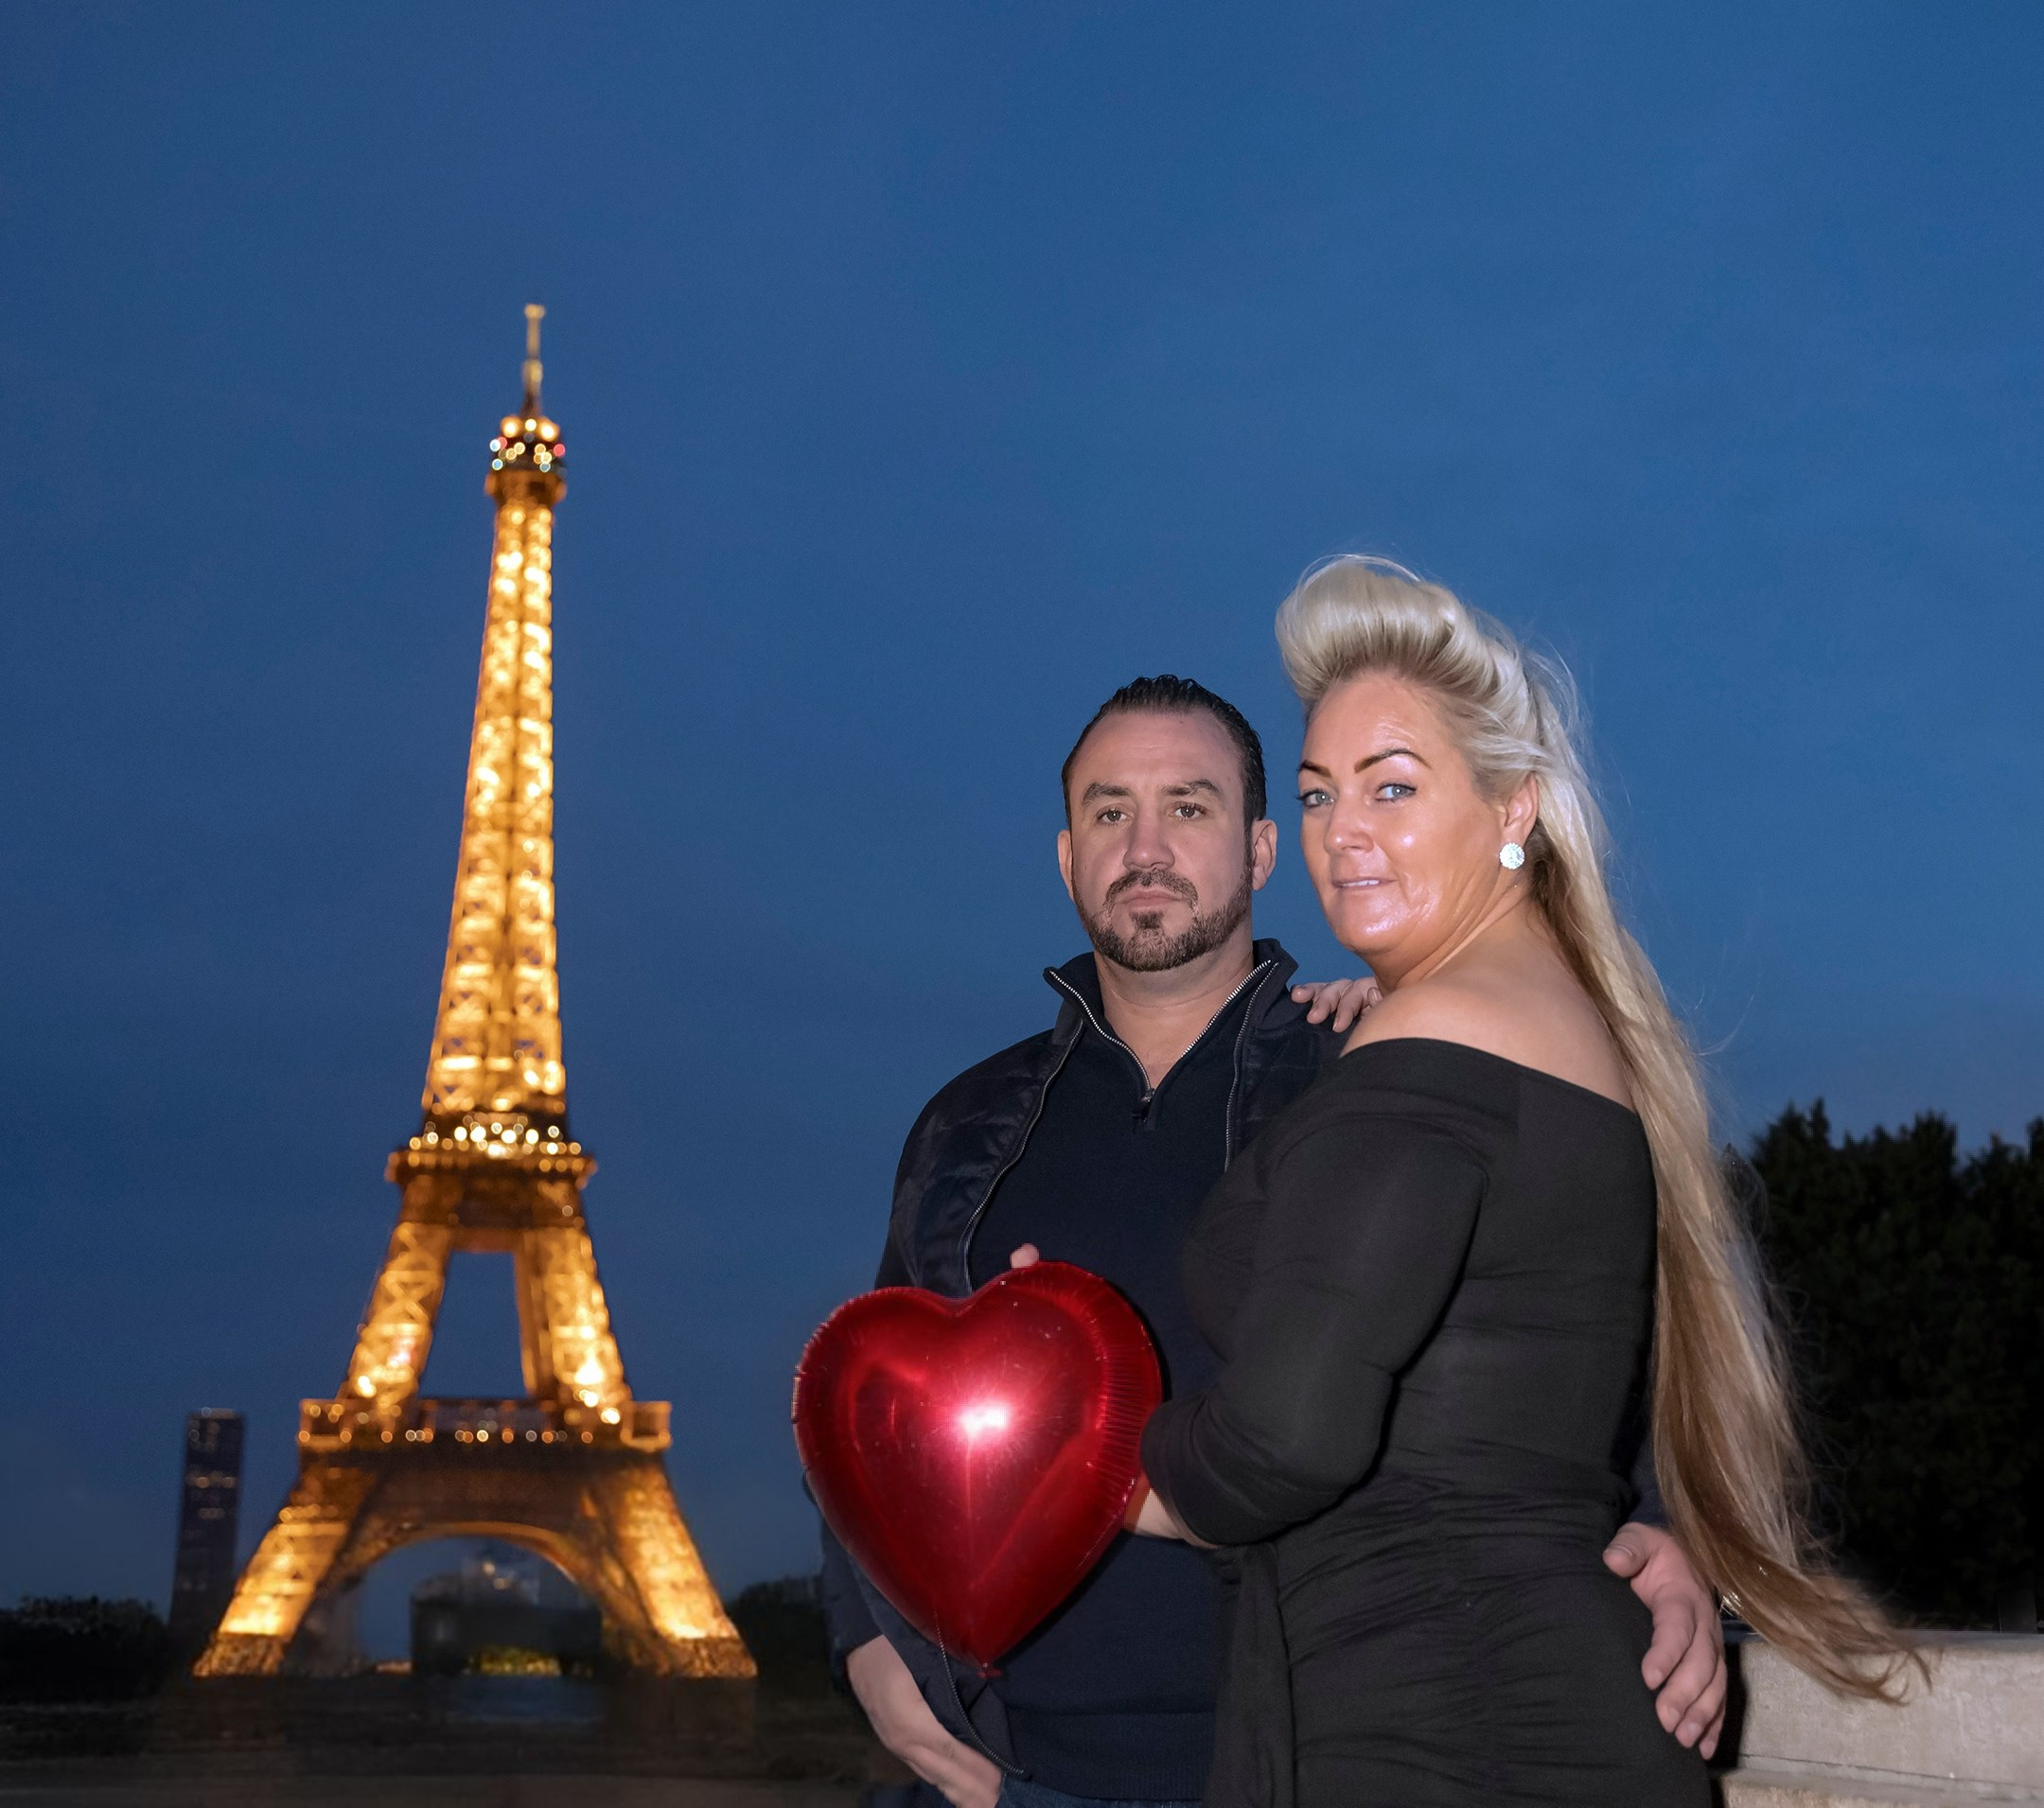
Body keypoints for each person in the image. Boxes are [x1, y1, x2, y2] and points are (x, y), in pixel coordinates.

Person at [820, 675, 1729, 1808]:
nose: (1144, 845)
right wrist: (865, 1645)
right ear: (1066, 857)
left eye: (1188, 807)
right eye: (1110, 811)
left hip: (1289, 1749)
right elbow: (867, 1411)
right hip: (1007, 1769)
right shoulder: (966, 1124)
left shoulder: (1364, 1068)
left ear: (1258, 851)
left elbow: (1565, 1343)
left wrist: (1663, 1529)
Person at [1132, 558, 1904, 1806]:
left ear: (1513, 808)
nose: (1342, 834)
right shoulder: (1562, 1029)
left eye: (1394, 785)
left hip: (1438, 1730)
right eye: (1321, 793)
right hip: (1530, 1710)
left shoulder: (1440, 1037)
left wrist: (1092, 1455)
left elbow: (1279, 1440)